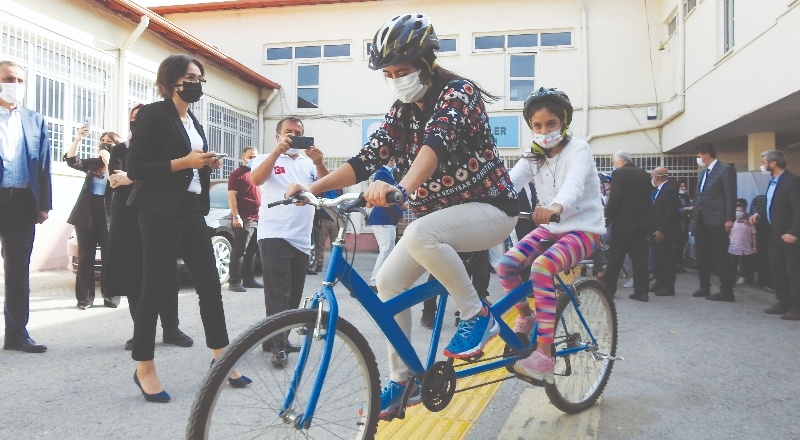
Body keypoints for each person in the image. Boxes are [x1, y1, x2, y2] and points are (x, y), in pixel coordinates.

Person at [284, 13, 518, 419]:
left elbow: (435, 146)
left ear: (426, 65)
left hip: (492, 209)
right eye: (389, 74)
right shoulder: (400, 112)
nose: (396, 80)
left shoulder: (458, 93)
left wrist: (402, 187)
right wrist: (312, 189)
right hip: (439, 221)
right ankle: (403, 379)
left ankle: (477, 314)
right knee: (389, 282)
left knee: (421, 232)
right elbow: (365, 159)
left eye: (403, 71)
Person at [127, 54, 249, 402]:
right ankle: (144, 367)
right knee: (155, 288)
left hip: (192, 210)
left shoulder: (192, 120)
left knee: (210, 285)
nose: (196, 83)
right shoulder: (153, 114)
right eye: (189, 77)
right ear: (171, 81)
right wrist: (185, 162)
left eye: (199, 78)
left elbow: (190, 164)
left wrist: (205, 164)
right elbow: (136, 168)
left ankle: (221, 357)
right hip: (159, 212)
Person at [498, 87, 605, 383]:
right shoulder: (533, 155)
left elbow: (574, 184)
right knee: (506, 265)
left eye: (551, 124)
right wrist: (483, 203)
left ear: (564, 122)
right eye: (537, 126)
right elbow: (509, 185)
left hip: (583, 229)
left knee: (541, 268)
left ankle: (544, 355)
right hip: (551, 228)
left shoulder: (579, 149)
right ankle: (526, 316)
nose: (544, 131)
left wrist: (557, 206)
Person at [106, 104, 192, 351]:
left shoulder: (165, 148)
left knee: (167, 273)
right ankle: (142, 332)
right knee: (135, 274)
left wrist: (133, 176)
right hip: (128, 217)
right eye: (134, 117)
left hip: (159, 214)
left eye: (142, 117)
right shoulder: (120, 149)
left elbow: (167, 176)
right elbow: (116, 179)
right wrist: (144, 175)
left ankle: (171, 329)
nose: (138, 121)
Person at [250, 116, 329, 368]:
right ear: (278, 136)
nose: (294, 136)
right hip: (274, 233)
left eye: (298, 132)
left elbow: (323, 187)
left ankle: (274, 338)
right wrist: (276, 153)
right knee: (278, 294)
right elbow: (256, 180)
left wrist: (320, 162)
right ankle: (278, 347)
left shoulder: (308, 163)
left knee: (293, 295)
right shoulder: (266, 158)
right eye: (288, 132)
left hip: (302, 237)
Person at [0, 60, 51, 354]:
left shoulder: (35, 120)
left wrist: (43, 205)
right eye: (9, 79)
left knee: (18, 272)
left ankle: (17, 334)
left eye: (20, 81)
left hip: (20, 203)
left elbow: (43, 164)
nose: (15, 85)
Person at [64, 127, 118, 309]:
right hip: (86, 214)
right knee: (86, 257)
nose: (105, 144)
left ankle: (110, 296)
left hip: (109, 216)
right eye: (102, 141)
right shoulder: (93, 163)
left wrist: (109, 163)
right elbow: (72, 161)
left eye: (109, 142)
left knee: (110, 257)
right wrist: (78, 138)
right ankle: (85, 299)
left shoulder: (122, 164)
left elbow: (116, 183)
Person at [751, 150, 800, 320]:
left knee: (794, 272)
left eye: (764, 162)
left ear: (773, 164)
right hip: (774, 234)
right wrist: (758, 214)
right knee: (776, 268)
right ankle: (783, 302)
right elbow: (770, 204)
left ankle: (797, 308)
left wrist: (794, 232)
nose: (762, 165)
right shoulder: (772, 182)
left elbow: (798, 209)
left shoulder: (792, 181)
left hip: (789, 234)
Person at [600, 151, 652, 301]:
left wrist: (607, 219)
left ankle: (609, 290)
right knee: (640, 259)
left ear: (622, 161)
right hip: (641, 224)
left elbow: (614, 199)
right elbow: (648, 200)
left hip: (623, 224)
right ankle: (642, 291)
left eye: (613, 161)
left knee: (616, 258)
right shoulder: (644, 174)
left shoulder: (619, 174)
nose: (613, 164)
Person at [691, 143, 737, 302]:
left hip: (718, 219)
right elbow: (699, 196)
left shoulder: (725, 170)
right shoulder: (703, 173)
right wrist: (694, 217)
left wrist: (729, 218)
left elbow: (730, 195)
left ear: (706, 155)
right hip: (702, 219)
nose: (698, 159)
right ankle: (704, 286)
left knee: (720, 255)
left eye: (698, 155)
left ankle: (727, 291)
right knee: (702, 254)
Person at [226, 146, 263, 292]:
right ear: (243, 158)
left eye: (255, 157)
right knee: (239, 250)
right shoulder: (237, 174)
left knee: (252, 251)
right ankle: (234, 282)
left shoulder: (257, 174)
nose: (253, 159)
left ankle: (248, 279)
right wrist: (236, 216)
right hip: (244, 218)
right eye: (250, 157)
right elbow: (231, 196)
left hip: (257, 217)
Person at [368, 157, 404, 291]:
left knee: (388, 250)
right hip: (382, 218)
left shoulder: (388, 173)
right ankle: (374, 281)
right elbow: (386, 199)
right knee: (386, 250)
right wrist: (400, 212)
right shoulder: (383, 173)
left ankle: (383, 280)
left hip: (386, 219)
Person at [648, 167, 681, 297]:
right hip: (654, 230)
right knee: (657, 259)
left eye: (652, 176)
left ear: (656, 177)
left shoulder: (669, 190)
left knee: (666, 260)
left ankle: (668, 286)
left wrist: (662, 230)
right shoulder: (659, 190)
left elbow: (671, 213)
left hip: (663, 232)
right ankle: (659, 281)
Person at [312, 187, 343, 275]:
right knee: (320, 243)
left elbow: (341, 204)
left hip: (335, 220)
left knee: (336, 244)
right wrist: (317, 220)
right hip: (323, 220)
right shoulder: (322, 191)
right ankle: (319, 264)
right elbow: (317, 206)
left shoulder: (339, 190)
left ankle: (335, 265)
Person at [729, 199, 757, 286]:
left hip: (746, 247)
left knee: (745, 263)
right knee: (732, 264)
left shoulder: (749, 223)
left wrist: (754, 246)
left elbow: (754, 235)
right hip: (733, 247)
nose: (738, 213)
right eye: (736, 211)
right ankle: (731, 280)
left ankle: (745, 278)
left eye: (740, 211)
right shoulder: (731, 223)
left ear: (744, 212)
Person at [675, 181, 693, 272]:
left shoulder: (686, 197)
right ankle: (676, 263)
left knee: (682, 243)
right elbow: (674, 210)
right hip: (677, 224)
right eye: (681, 186)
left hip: (684, 223)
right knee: (677, 245)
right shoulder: (675, 197)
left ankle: (680, 263)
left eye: (684, 186)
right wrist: (684, 209)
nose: (683, 188)